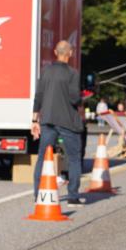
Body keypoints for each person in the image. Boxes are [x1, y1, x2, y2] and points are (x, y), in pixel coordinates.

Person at [31, 40, 85, 207]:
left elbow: (38, 96)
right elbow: (74, 98)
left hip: (47, 120)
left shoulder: (45, 71)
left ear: (55, 52)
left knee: (42, 157)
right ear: (70, 53)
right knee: (74, 158)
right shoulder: (72, 73)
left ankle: (38, 194)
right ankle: (73, 196)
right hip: (67, 121)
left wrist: (34, 120)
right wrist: (82, 97)